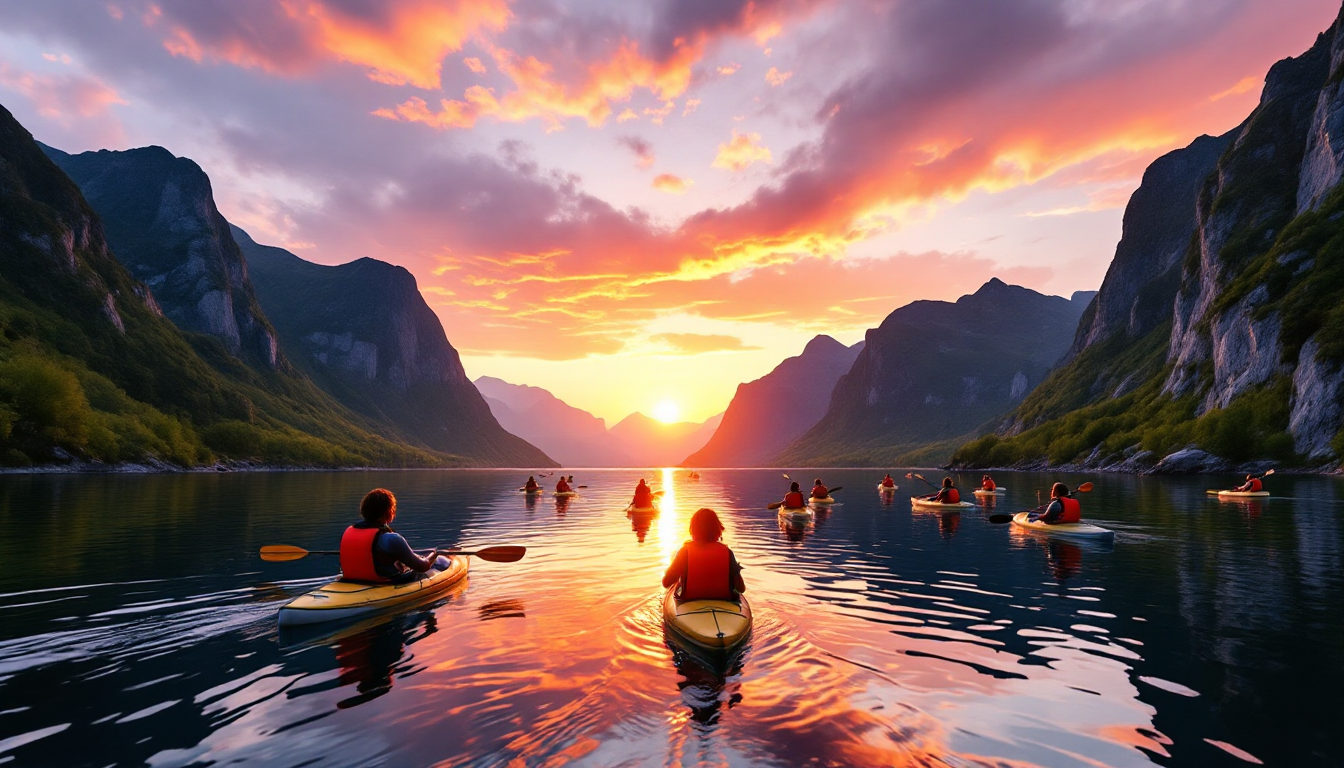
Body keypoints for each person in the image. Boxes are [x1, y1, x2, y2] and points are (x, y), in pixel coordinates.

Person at [339, 488, 450, 584]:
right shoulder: (392, 539)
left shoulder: (349, 532)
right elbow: (422, 567)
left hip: (350, 580)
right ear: (388, 512)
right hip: (386, 583)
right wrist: (432, 556)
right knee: (440, 562)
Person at [662, 508, 746, 601]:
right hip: (724, 600)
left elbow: (666, 582)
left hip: (690, 601)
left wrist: (677, 576)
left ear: (693, 529)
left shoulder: (684, 552)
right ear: (717, 529)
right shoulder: (728, 552)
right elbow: (741, 588)